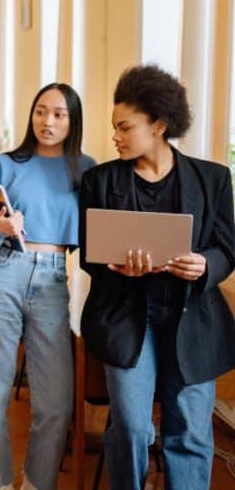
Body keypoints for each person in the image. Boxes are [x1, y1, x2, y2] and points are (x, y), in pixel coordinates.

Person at [79, 65, 235, 490]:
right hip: (128, 317)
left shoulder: (214, 179)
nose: (115, 137)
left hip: (194, 320)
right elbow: (89, 258)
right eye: (114, 128)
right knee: (130, 427)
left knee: (189, 431)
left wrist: (205, 265)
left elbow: (227, 250)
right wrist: (115, 268)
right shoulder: (99, 181)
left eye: (125, 127)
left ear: (160, 124)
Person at [0, 83, 96, 490]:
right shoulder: (3, 164)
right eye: (41, 111)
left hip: (55, 277)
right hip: (2, 270)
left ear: (73, 121)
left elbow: (95, 233)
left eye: (58, 114)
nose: (47, 121)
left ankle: (37, 483)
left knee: (56, 404)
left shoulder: (86, 169)